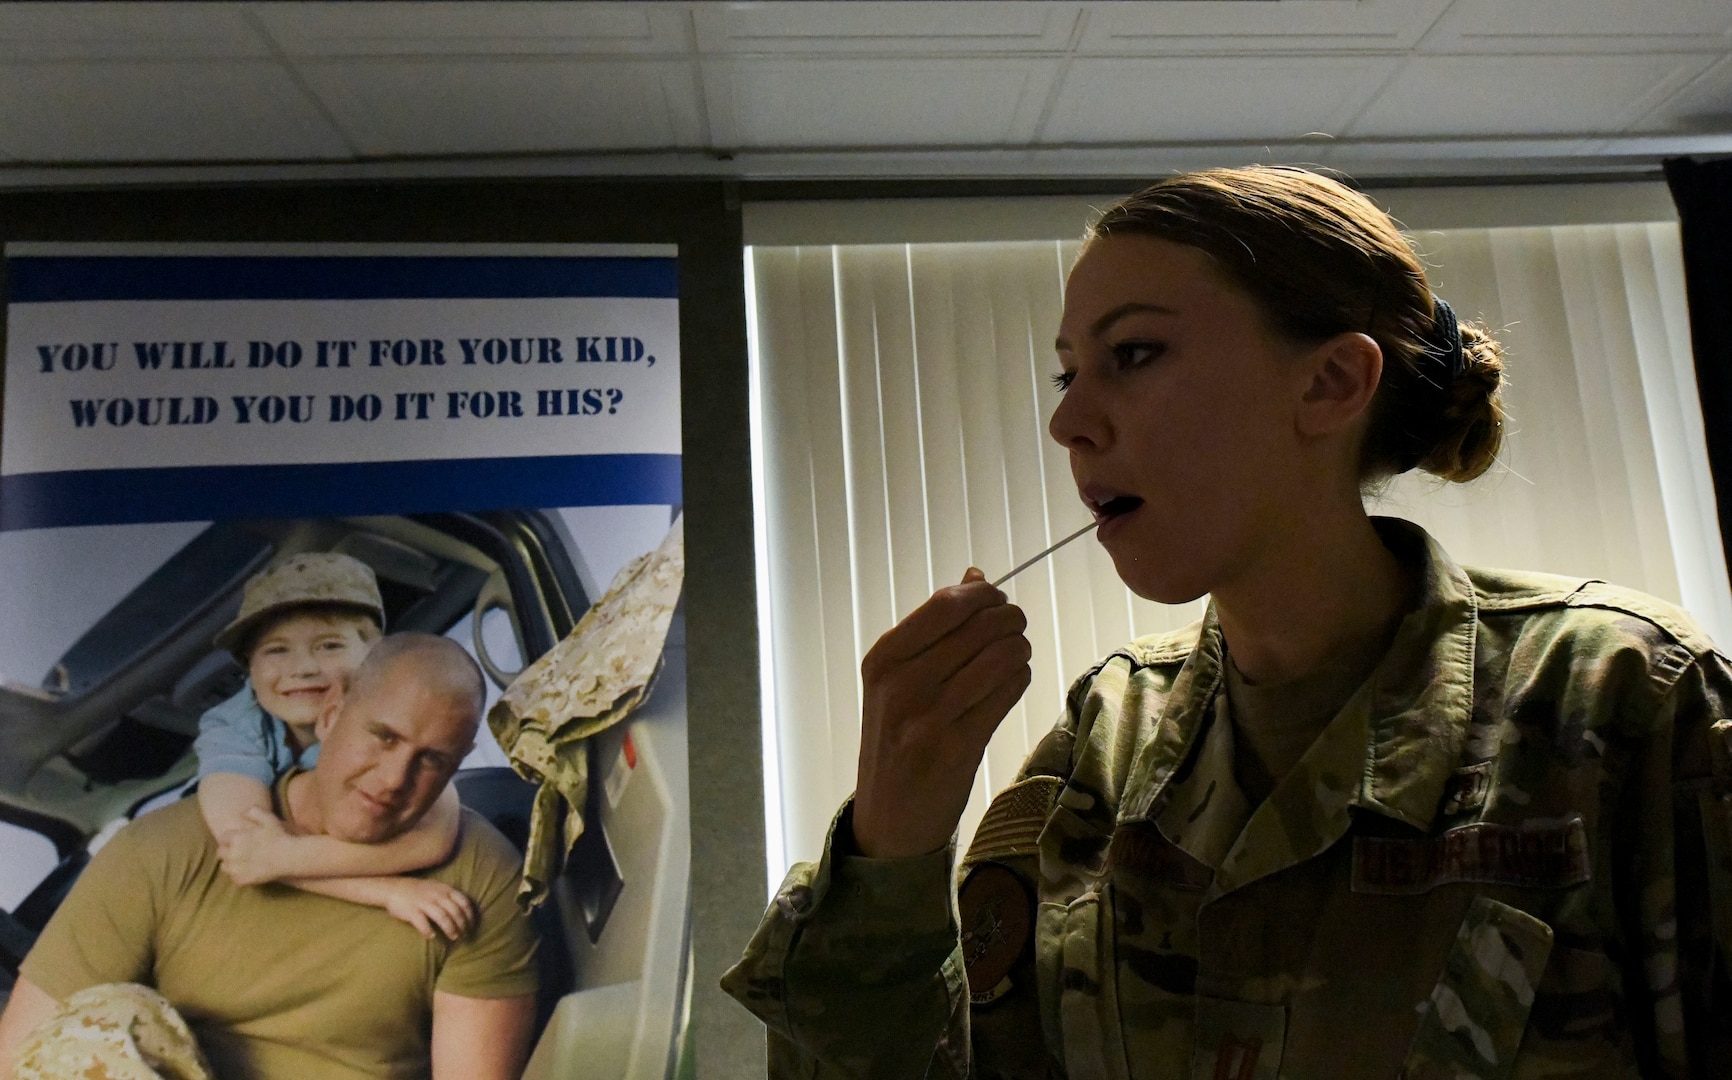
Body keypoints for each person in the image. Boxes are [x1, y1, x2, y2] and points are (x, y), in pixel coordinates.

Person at [722, 166, 1732, 1078]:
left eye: (1135, 352)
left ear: (1330, 382)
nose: (1068, 422)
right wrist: (890, 841)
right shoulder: (1101, 751)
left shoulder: (1621, 699)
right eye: (1069, 372)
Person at [0, 633, 539, 1080]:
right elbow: (25, 1056)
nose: (395, 778)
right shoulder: (160, 850)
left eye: (431, 761)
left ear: (457, 766)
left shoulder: (480, 875)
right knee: (108, 1018)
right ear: (330, 717)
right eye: (382, 737)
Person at [196, 552, 470, 940]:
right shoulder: (234, 725)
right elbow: (246, 851)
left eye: (328, 646)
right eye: (277, 650)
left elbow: (434, 835)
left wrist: (286, 856)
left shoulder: (392, 722)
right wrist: (387, 890)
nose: (303, 667)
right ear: (250, 668)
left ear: (375, 657)